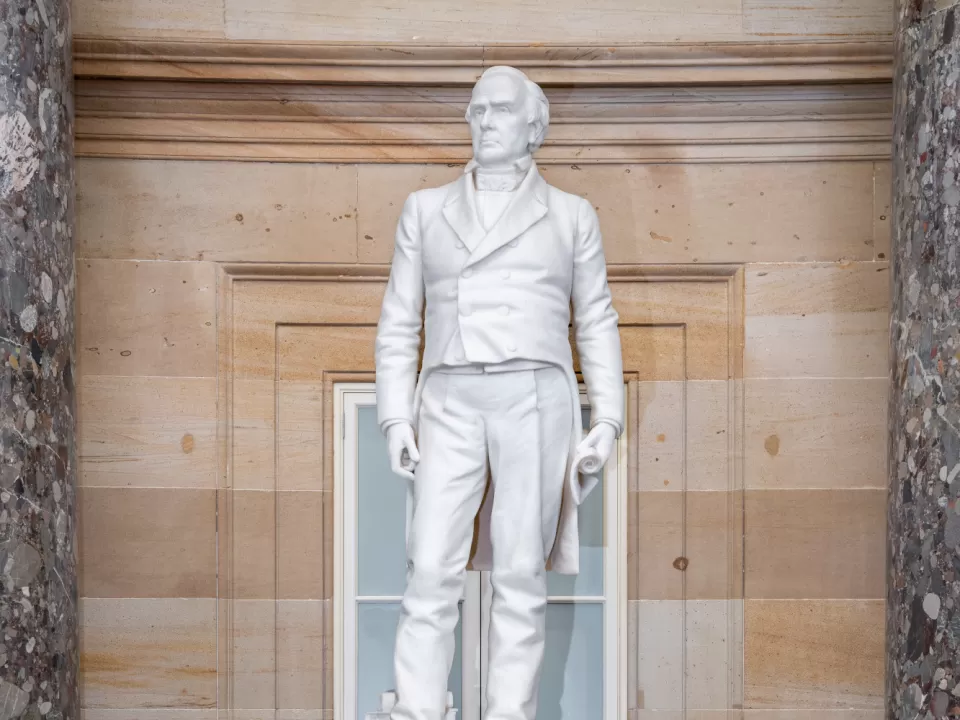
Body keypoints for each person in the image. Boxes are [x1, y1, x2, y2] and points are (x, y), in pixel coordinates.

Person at [375, 65, 624, 720]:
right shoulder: (425, 209)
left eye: (501, 111)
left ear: (533, 126)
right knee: (428, 570)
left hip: (533, 397)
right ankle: (419, 711)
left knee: (520, 576)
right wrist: (396, 419)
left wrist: (610, 418)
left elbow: (595, 318)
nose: (486, 122)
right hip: (449, 398)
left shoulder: (571, 216)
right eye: (477, 110)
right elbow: (400, 321)